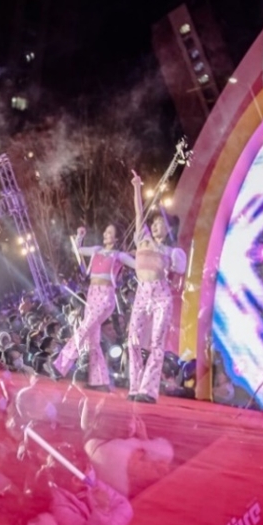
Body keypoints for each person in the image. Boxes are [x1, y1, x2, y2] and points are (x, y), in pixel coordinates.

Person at [127, 171, 187, 403]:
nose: (155, 226)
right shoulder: (142, 240)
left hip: (161, 295)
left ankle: (149, 391)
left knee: (156, 343)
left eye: (160, 224)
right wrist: (137, 187)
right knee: (133, 340)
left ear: (168, 229)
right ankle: (134, 387)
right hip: (142, 293)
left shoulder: (171, 252)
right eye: (154, 223)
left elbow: (179, 274)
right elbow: (138, 213)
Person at [54, 225, 134, 391]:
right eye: (105, 231)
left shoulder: (119, 256)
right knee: (93, 340)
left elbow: (137, 264)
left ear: (116, 238)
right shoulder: (97, 250)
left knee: (84, 328)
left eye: (110, 232)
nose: (105, 234)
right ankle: (99, 381)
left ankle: (60, 365)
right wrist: (79, 236)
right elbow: (78, 250)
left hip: (105, 296)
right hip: (92, 294)